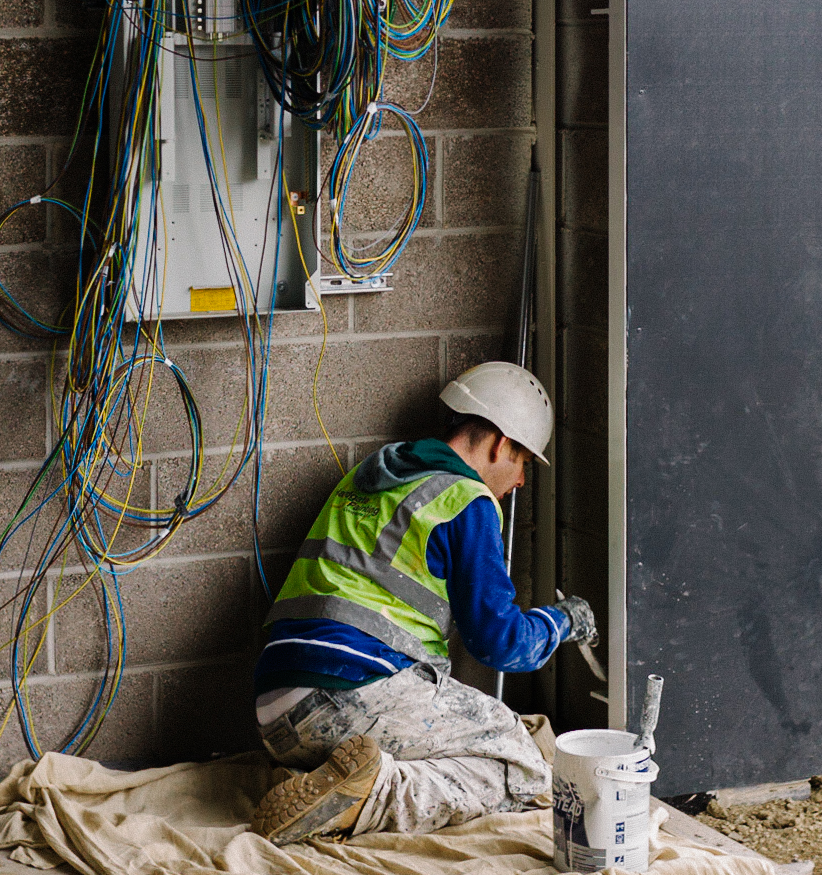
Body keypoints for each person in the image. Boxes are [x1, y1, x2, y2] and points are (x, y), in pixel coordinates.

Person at [248, 361, 600, 845]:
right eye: (522, 462)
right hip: (353, 692)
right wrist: (562, 622)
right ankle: (374, 794)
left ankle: (306, 784)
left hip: (275, 710)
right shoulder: (466, 500)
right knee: (525, 767)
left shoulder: (373, 474)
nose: (519, 481)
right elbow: (499, 643)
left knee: (466, 738)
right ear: (501, 443)